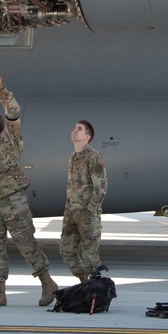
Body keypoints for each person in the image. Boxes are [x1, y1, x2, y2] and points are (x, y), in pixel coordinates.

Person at [0, 66, 58, 307]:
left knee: (26, 242)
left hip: (13, 201)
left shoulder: (10, 138)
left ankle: (47, 283)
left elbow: (12, 110)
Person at [60, 119, 108, 281]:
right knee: (66, 250)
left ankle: (96, 287)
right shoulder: (73, 157)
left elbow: (101, 186)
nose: (74, 130)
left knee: (90, 254)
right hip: (71, 212)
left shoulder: (94, 157)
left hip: (87, 213)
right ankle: (85, 282)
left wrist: (90, 210)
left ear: (87, 137)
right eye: (74, 128)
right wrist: (68, 208)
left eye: (79, 129)